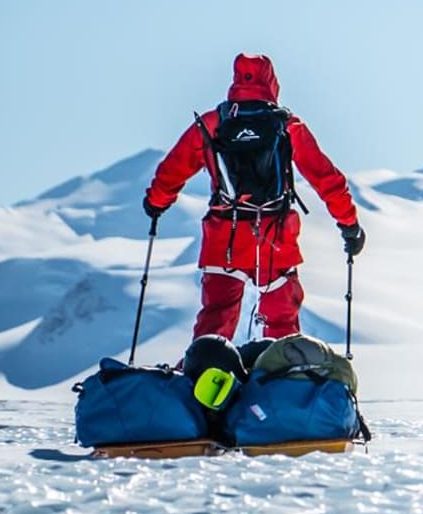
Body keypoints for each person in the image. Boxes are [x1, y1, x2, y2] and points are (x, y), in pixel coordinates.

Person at [143, 53, 366, 342]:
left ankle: (205, 366)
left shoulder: (212, 124)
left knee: (216, 318)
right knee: (282, 320)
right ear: (272, 82)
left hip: (224, 235)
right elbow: (326, 178)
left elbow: (173, 168)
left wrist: (156, 202)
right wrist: (349, 224)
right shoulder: (287, 125)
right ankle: (280, 366)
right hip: (275, 236)